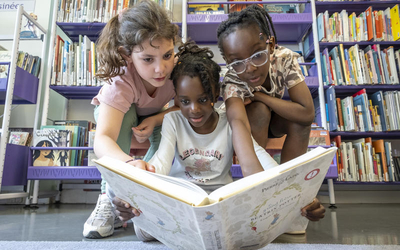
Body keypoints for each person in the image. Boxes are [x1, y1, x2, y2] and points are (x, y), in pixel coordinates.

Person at [111, 41, 325, 242]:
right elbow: (161, 160)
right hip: (182, 198)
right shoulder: (173, 120)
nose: (193, 109)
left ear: (215, 95)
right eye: (185, 101)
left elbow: (260, 156)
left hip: (221, 202)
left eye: (202, 100)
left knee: (253, 221)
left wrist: (297, 192)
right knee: (144, 230)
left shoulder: (228, 121)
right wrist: (136, 193)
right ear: (177, 98)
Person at [216, 5, 320, 234]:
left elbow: (306, 113)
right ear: (228, 61)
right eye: (237, 61)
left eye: (257, 55)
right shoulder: (232, 78)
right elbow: (238, 122)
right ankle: (263, 193)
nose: (250, 68)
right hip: (250, 130)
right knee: (259, 110)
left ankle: (291, 197)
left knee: (294, 120)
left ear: (270, 45)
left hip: (277, 119)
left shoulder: (284, 59)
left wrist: (261, 96)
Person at [83, 0, 179, 239]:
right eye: (148, 59)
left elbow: (183, 108)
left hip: (154, 114)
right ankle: (108, 197)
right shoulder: (120, 82)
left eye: (167, 55)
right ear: (127, 56)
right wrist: (128, 164)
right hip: (121, 113)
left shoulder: (178, 69)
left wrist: (157, 119)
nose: (161, 69)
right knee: (125, 119)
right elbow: (103, 139)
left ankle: (151, 195)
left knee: (174, 124)